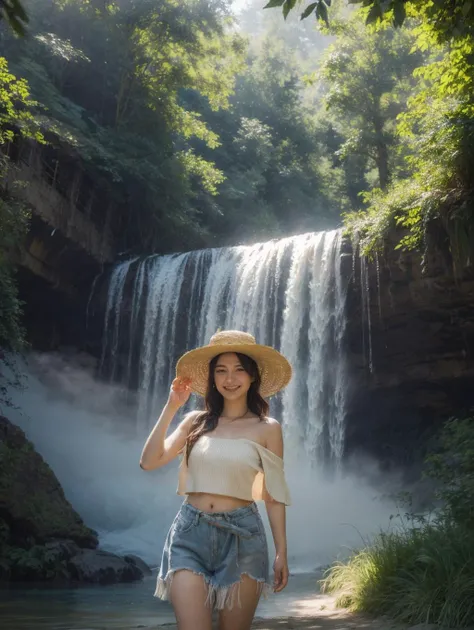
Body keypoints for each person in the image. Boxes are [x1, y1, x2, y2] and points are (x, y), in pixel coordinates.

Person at [140, 330, 292, 630]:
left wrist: (281, 553)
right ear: (212, 378)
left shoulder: (268, 428)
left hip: (243, 539)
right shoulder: (195, 421)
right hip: (190, 533)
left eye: (238, 370)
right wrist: (172, 406)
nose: (229, 378)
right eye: (221, 370)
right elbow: (148, 461)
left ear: (252, 377)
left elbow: (273, 496)